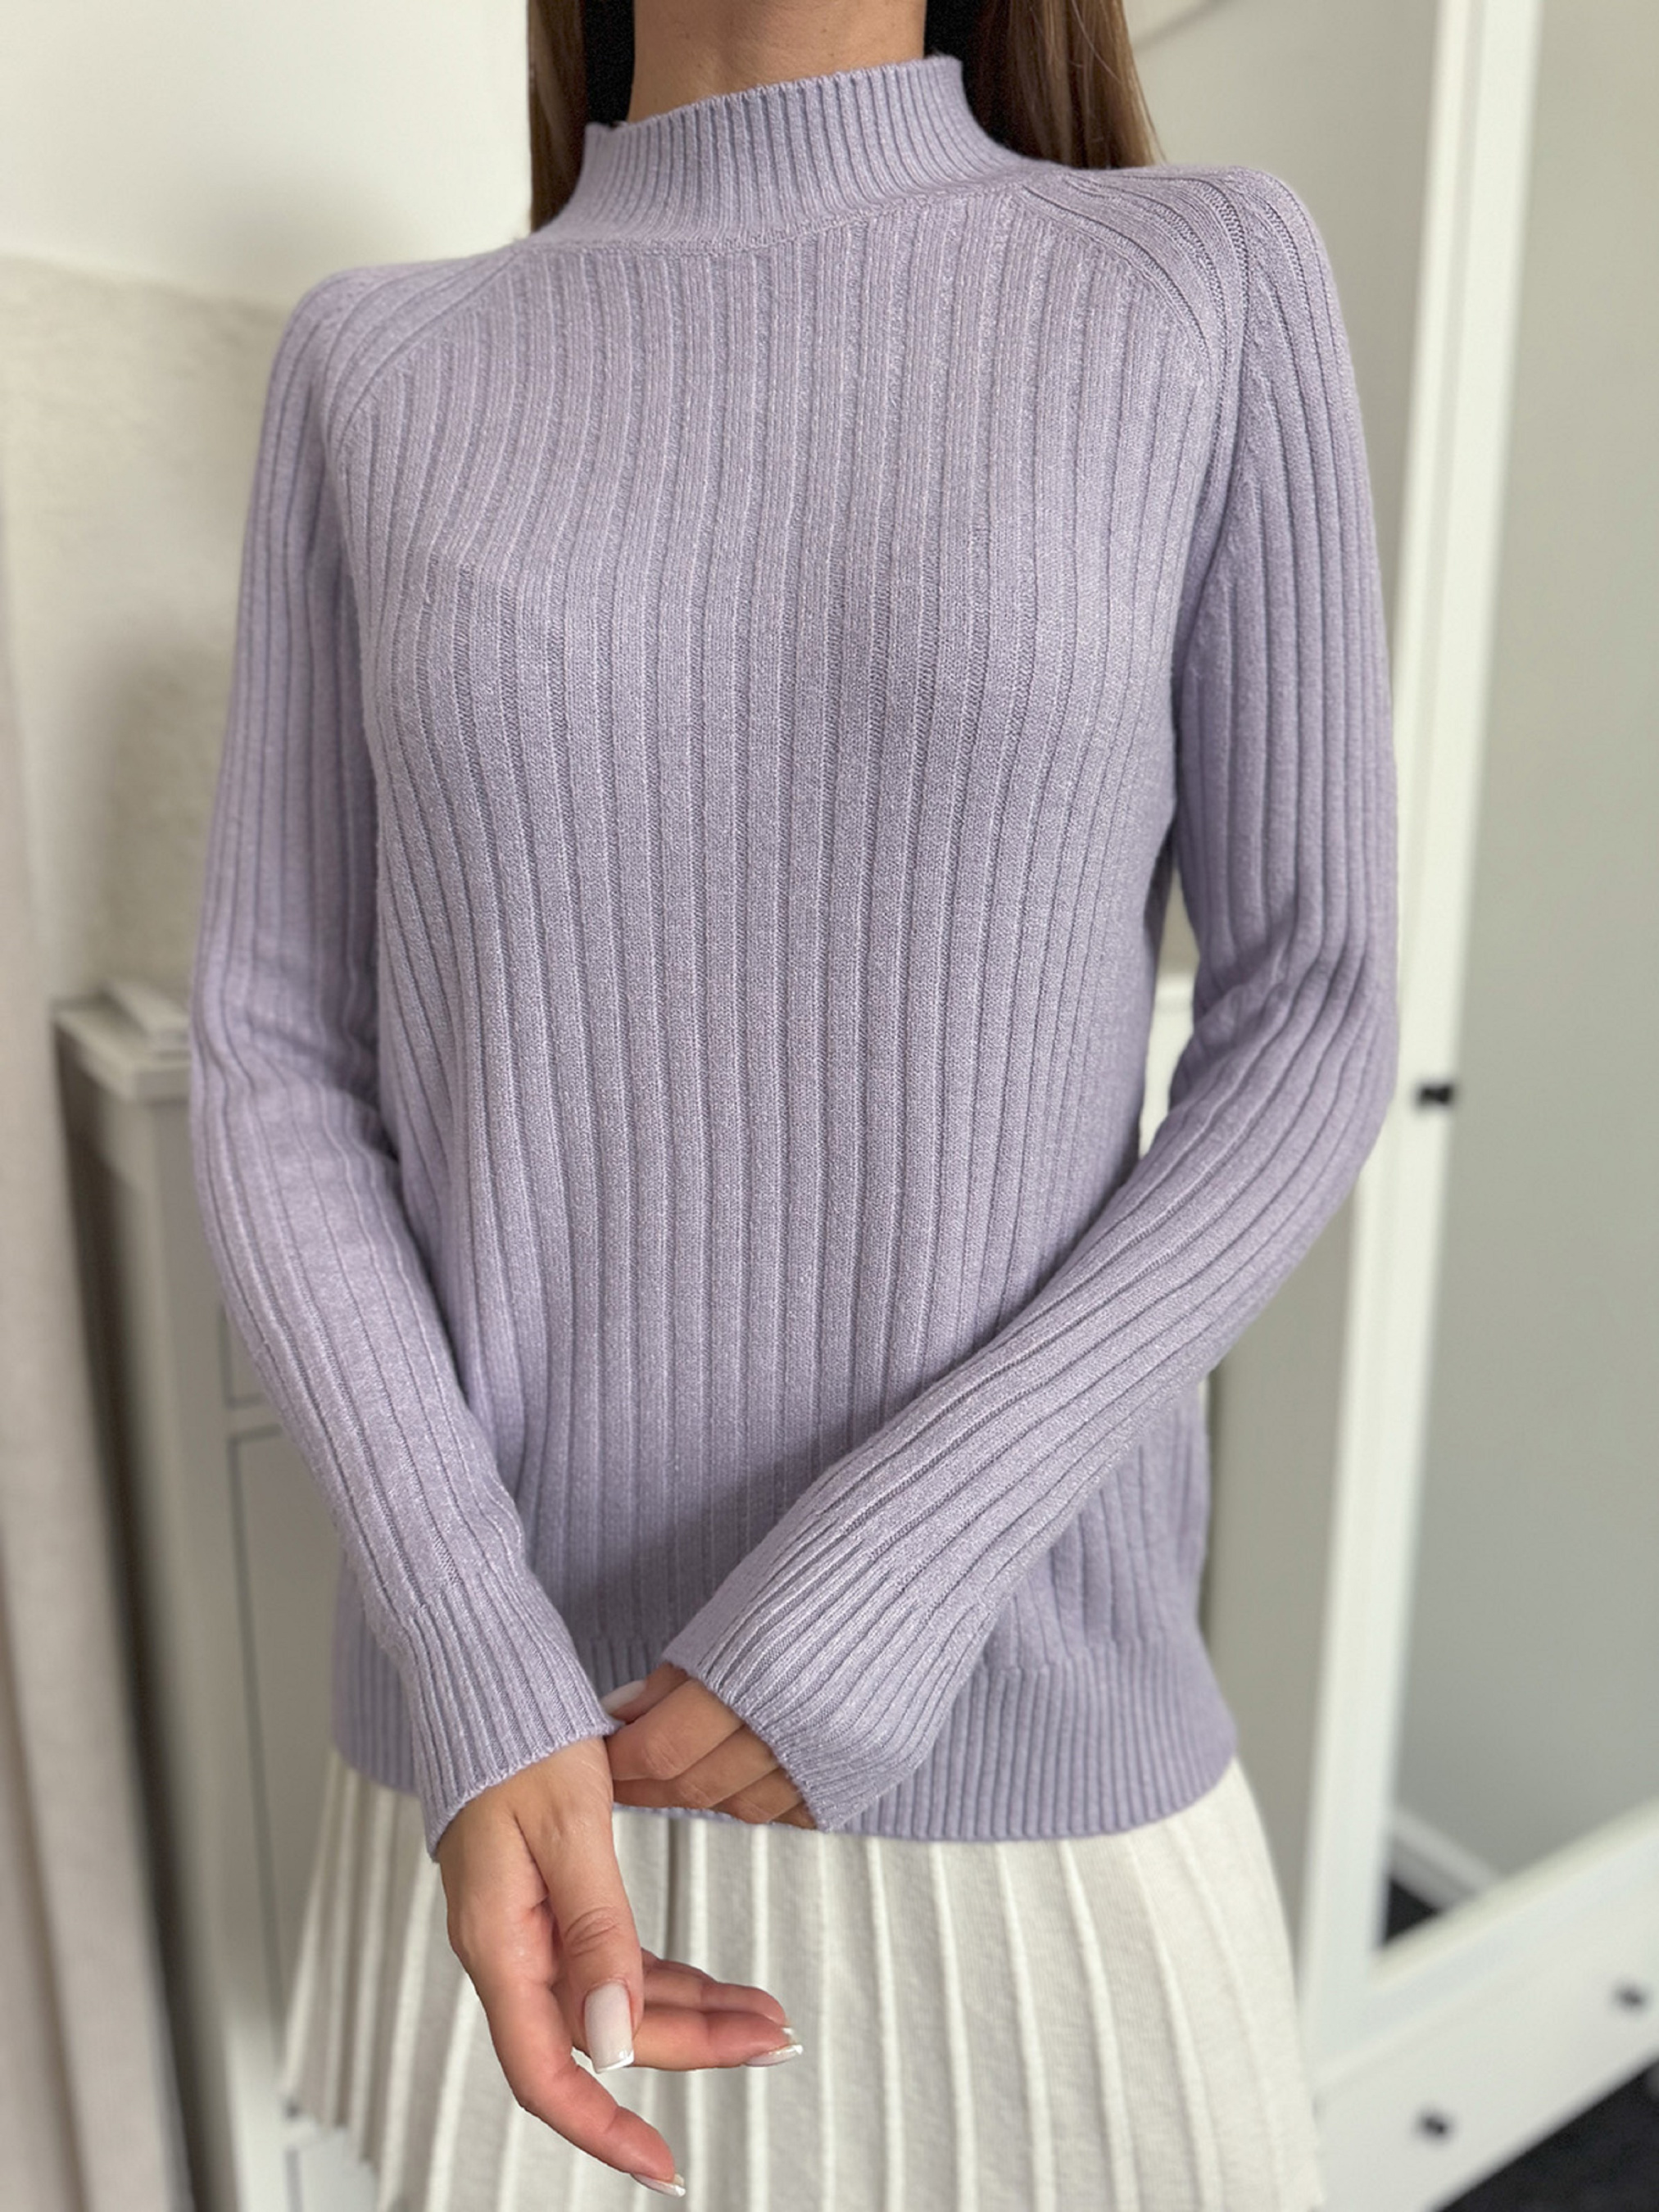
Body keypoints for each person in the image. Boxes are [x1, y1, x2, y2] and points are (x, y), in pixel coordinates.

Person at [187, 0, 1398, 2202]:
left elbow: (1311, 1006)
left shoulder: (1199, 279)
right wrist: (473, 1649)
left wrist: (880, 1585)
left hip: (1018, 1736)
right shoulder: (372, 360)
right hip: (510, 1785)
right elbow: (277, 1053)